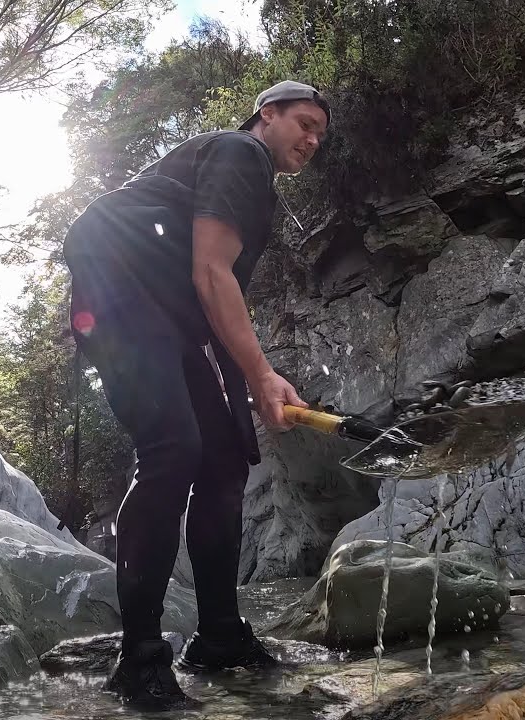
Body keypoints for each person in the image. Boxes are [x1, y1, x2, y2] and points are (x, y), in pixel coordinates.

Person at [61, 80, 331, 709]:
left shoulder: (248, 179)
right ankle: (140, 660)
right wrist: (260, 374)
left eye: (320, 132)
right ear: (267, 116)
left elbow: (213, 294)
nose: (312, 140)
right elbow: (211, 273)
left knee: (225, 457)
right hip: (119, 294)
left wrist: (260, 381)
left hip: (174, 318)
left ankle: (219, 637)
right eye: (303, 123)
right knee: (174, 449)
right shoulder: (241, 155)